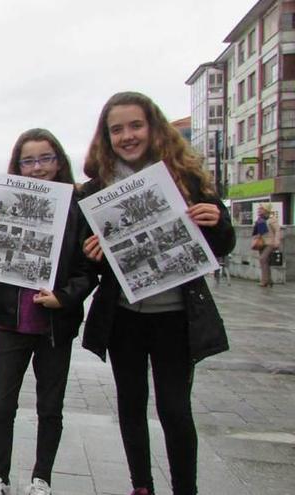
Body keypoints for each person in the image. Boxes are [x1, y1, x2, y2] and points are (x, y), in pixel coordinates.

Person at [80, 91, 235, 495]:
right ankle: (142, 486)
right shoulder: (95, 190)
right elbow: (90, 264)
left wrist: (215, 220)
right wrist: (92, 254)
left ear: (153, 127)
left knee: (175, 409)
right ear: (106, 136)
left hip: (176, 317)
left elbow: (223, 244)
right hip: (124, 319)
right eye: (117, 129)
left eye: (135, 125)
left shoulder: (185, 177)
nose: (127, 136)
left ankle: (186, 488)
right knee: (131, 406)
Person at [0, 129, 97, 495]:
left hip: (55, 325)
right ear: (18, 165)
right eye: (28, 160)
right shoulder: (2, 202)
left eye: (45, 158)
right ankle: (0, 476)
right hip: (13, 320)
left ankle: (42, 478)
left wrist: (65, 297)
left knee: (50, 406)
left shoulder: (77, 206)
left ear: (59, 161)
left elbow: (89, 269)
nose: (37, 167)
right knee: (0, 405)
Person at [253, 204, 281, 287]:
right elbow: (256, 232)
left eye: (261, 208)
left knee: (263, 259)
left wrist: (277, 241)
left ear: (266, 210)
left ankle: (264, 281)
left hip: (270, 243)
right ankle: (269, 280)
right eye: (259, 208)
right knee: (265, 262)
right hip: (261, 243)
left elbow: (277, 230)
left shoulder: (272, 220)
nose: (259, 210)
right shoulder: (259, 220)